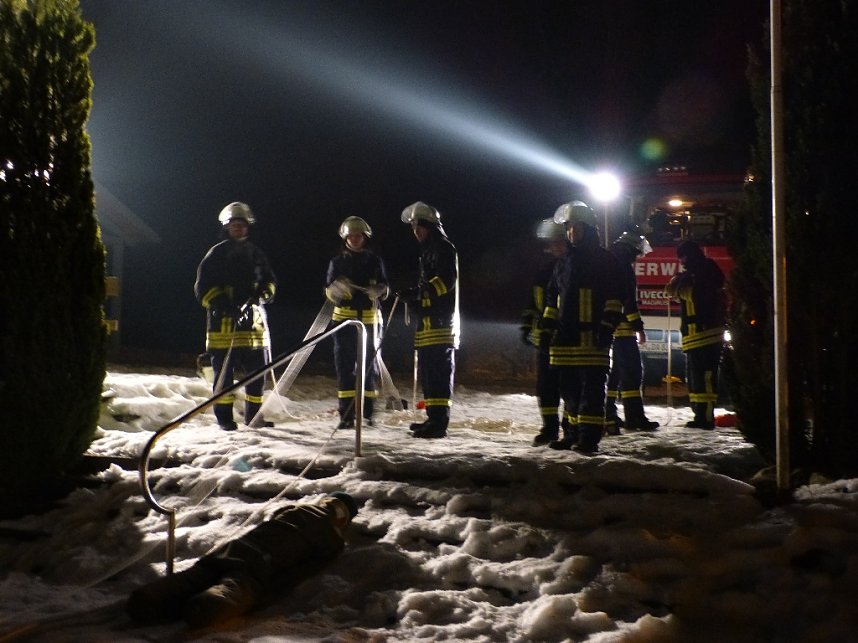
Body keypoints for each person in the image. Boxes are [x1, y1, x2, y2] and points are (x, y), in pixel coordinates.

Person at [126, 491, 358, 628]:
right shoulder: (332, 539)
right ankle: (200, 609)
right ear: (342, 520)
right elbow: (304, 570)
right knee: (229, 594)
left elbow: (275, 519)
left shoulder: (296, 507)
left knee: (194, 577)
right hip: (259, 565)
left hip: (234, 548)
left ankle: (148, 597)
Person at [542, 201, 624, 454]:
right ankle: (572, 434)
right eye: (568, 228)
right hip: (566, 339)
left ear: (588, 228)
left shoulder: (605, 260)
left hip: (593, 338)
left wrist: (606, 326)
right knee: (570, 393)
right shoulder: (563, 263)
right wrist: (547, 326)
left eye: (576, 227)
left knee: (592, 392)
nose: (571, 232)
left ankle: (589, 439)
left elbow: (615, 297)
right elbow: (553, 299)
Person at [194, 202, 278, 430]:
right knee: (223, 377)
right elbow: (203, 288)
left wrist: (263, 294)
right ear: (227, 227)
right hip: (224, 325)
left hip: (254, 328)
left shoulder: (256, 253)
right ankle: (224, 420)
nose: (238, 228)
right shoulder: (216, 253)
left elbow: (270, 281)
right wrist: (222, 304)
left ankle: (254, 417)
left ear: (248, 227)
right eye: (234, 225)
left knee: (257, 375)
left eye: (241, 225)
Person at [398, 201, 460, 439]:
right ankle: (432, 418)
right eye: (413, 228)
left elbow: (446, 282)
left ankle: (439, 423)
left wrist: (418, 292)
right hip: (427, 323)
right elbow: (428, 288)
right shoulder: (429, 251)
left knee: (439, 373)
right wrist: (411, 298)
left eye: (420, 227)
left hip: (441, 324)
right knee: (429, 374)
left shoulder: (444, 248)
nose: (416, 232)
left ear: (431, 226)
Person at [325, 216, 390, 429]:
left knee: (369, 368)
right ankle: (346, 416)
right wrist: (337, 289)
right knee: (345, 367)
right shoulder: (337, 262)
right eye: (351, 235)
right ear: (345, 237)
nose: (355, 239)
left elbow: (385, 287)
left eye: (358, 235)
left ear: (364, 237)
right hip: (344, 322)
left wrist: (380, 290)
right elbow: (329, 292)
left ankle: (367, 413)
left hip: (370, 321)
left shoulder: (374, 261)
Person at [666, 239, 727, 429]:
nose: (682, 261)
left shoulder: (706, 271)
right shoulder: (696, 272)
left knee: (706, 377)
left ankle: (706, 417)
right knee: (695, 379)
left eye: (683, 257)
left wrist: (684, 285)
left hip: (706, 333)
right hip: (694, 335)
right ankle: (699, 415)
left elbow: (699, 296)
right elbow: (671, 292)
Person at [521, 218, 572, 446]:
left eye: (560, 242)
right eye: (553, 243)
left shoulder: (576, 269)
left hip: (567, 338)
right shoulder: (544, 272)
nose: (555, 247)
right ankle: (549, 428)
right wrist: (527, 327)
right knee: (546, 387)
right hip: (545, 338)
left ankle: (570, 429)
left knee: (569, 387)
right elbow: (533, 304)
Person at [604, 232, 659, 434]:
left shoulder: (609, 262)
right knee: (633, 373)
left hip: (610, 327)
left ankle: (609, 414)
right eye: (637, 252)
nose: (638, 256)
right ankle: (635, 418)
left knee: (613, 375)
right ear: (631, 249)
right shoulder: (623, 267)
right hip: (623, 329)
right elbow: (628, 300)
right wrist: (639, 327)